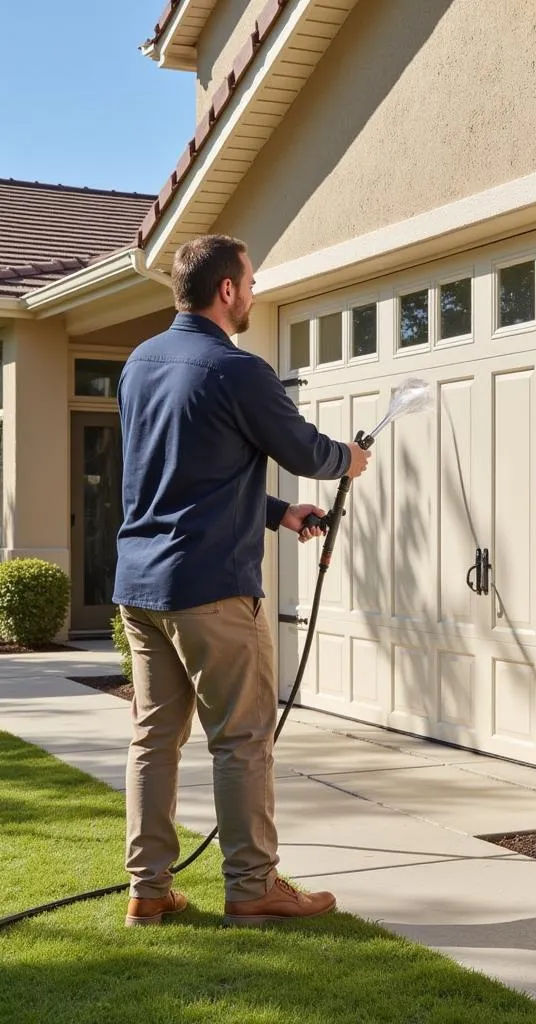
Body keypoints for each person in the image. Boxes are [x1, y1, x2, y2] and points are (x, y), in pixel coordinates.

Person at [113, 234, 370, 927]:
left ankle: (148, 889)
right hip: (213, 591)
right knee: (243, 738)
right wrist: (345, 457)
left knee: (153, 738)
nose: (254, 292)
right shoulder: (237, 369)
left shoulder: (138, 365)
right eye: (251, 282)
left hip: (140, 586)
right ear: (227, 290)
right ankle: (254, 887)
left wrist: (281, 513)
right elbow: (305, 449)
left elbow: (178, 478)